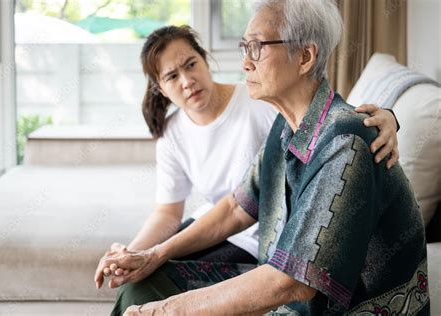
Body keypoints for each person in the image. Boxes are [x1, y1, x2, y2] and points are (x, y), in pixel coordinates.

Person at [94, 6, 426, 312]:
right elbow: (237, 208)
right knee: (142, 288)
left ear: (305, 56)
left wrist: (167, 310)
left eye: (257, 47)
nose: (245, 63)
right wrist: (153, 254)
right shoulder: (286, 124)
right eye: (245, 48)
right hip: (279, 275)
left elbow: (292, 283)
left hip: (332, 304)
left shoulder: (344, 143)